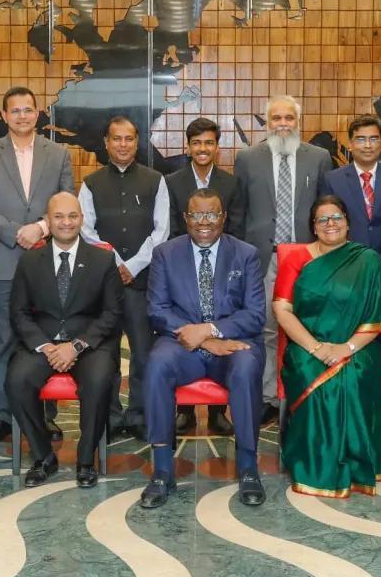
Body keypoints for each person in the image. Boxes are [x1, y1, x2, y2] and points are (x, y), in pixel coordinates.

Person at [141, 188, 266, 508]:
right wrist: (203, 339)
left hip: (233, 344)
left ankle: (248, 467)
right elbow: (157, 310)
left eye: (211, 214)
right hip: (182, 344)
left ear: (223, 217)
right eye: (196, 214)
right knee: (157, 364)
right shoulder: (166, 254)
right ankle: (162, 470)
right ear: (186, 218)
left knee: (246, 366)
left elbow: (254, 315)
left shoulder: (246, 254)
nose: (204, 222)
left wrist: (210, 330)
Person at [274, 195, 381, 498]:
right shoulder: (297, 259)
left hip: (358, 346)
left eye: (337, 218)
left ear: (347, 223)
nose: (330, 224)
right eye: (323, 219)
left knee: (354, 376)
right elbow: (282, 310)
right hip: (306, 345)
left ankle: (358, 463)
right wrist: (316, 348)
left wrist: (347, 347)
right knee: (311, 375)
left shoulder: (368, 261)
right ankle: (313, 463)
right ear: (313, 226)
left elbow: (378, 316)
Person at [0, 86, 74, 444]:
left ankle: (45, 415)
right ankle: (2, 415)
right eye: (14, 110)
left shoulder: (58, 153)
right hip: (4, 260)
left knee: (46, 338)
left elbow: (67, 201)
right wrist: (18, 233)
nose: (22, 116)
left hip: (48, 262)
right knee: (3, 339)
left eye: (28, 109)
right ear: (3, 115)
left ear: (38, 112)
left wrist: (42, 228)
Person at [6, 192, 124, 488]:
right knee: (17, 381)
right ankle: (43, 456)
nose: (66, 222)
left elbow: (112, 313)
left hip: (89, 344)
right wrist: (47, 347)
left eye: (72, 216)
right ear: (48, 221)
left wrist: (76, 346)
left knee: (98, 380)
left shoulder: (103, 259)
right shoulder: (30, 260)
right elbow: (18, 312)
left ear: (81, 219)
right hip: (43, 343)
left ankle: (85, 460)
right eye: (58, 217)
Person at [234, 95, 330, 426]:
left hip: (307, 259)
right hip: (263, 258)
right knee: (266, 330)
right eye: (276, 118)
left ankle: (304, 394)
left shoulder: (319, 157)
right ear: (268, 122)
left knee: (308, 327)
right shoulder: (247, 158)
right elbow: (239, 211)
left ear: (298, 122)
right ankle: (268, 399)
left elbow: (326, 209)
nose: (283, 124)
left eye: (289, 118)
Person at [78, 116, 170, 441]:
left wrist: (133, 265)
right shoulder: (90, 183)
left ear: (137, 141)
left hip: (142, 283)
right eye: (116, 138)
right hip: (104, 285)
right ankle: (111, 417)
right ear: (106, 142)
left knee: (144, 353)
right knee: (106, 354)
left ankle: (140, 415)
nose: (123, 144)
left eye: (129, 138)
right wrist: (116, 263)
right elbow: (86, 231)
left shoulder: (155, 180)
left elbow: (162, 230)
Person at [165, 117, 245, 436]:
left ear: (217, 147)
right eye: (196, 143)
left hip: (221, 268)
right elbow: (171, 227)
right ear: (188, 147)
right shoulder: (172, 182)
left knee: (218, 331)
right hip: (183, 270)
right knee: (187, 328)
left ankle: (216, 413)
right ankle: (184, 411)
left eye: (209, 142)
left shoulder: (231, 183)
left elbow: (236, 226)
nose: (202, 148)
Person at [323, 114, 381, 266]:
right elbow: (328, 224)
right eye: (361, 139)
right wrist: (350, 260)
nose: (368, 145)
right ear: (350, 144)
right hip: (346, 263)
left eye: (374, 139)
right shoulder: (333, 180)